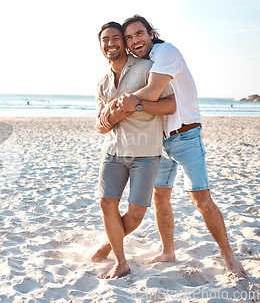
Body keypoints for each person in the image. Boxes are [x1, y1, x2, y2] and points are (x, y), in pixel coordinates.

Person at [116, 15, 246, 276]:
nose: (135, 40)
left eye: (139, 34)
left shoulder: (166, 52)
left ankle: (228, 255)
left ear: (151, 34)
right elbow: (148, 103)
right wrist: (126, 104)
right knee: (160, 196)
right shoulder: (141, 64)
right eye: (129, 37)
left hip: (186, 136)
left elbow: (153, 93)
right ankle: (168, 251)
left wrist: (120, 104)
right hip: (159, 140)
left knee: (201, 199)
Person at [93, 21, 176, 278]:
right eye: (105, 40)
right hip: (113, 153)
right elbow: (100, 125)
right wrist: (109, 119)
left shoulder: (146, 68)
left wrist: (135, 105)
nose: (111, 43)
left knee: (137, 213)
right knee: (107, 203)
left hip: (146, 154)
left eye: (116, 38)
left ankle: (109, 242)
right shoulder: (103, 82)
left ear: (125, 42)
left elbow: (171, 104)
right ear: (100, 46)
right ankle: (121, 261)